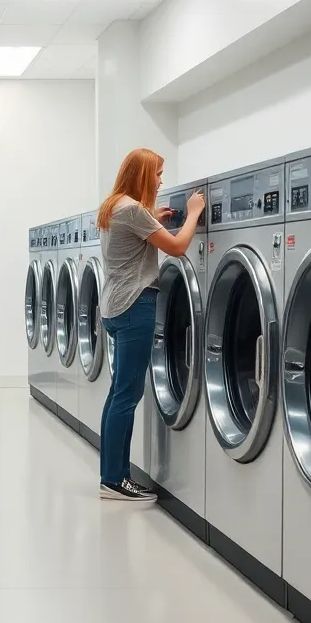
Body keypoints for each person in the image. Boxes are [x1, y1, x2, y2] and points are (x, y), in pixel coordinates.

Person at [96, 147, 205, 502]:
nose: (160, 180)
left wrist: (153, 217)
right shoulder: (132, 210)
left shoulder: (116, 206)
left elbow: (137, 232)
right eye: (157, 174)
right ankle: (114, 481)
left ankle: (113, 475)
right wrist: (193, 214)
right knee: (127, 396)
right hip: (135, 306)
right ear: (143, 175)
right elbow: (176, 247)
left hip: (113, 307)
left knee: (117, 394)